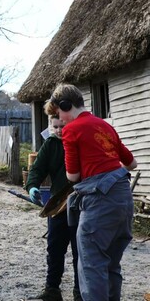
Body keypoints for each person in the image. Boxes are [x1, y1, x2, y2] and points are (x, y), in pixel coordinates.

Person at [44, 83, 137, 301]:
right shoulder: (105, 126)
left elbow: (73, 177)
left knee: (91, 265)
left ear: (66, 106)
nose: (61, 120)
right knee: (111, 264)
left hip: (99, 202)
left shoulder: (71, 130)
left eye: (59, 114)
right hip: (123, 199)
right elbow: (132, 163)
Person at [25, 114, 80, 301]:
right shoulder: (51, 144)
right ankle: (52, 289)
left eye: (61, 126)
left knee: (80, 250)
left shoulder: (79, 140)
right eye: (54, 127)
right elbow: (37, 168)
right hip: (58, 204)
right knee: (54, 248)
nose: (58, 130)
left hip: (81, 202)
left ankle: (80, 292)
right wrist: (32, 186)